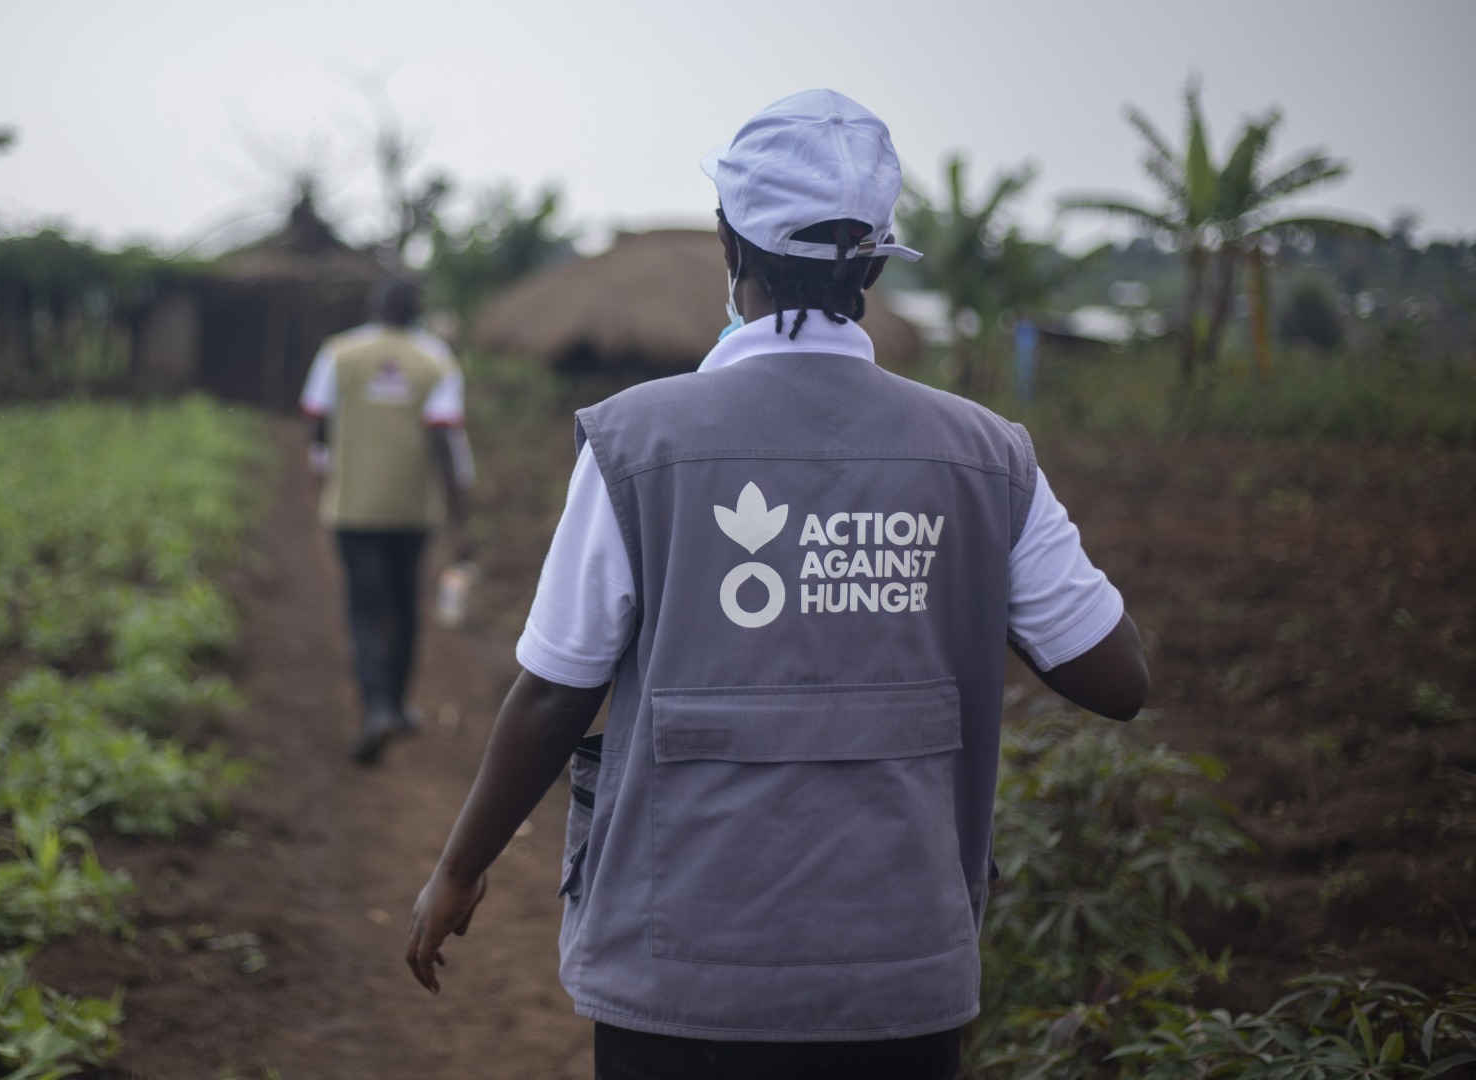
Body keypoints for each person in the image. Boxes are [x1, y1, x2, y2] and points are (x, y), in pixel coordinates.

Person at [404, 89, 1148, 1079]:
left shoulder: (639, 442)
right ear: (877, 262)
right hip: (901, 980)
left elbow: (554, 687)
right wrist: (928, 566)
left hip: (682, 977)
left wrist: (458, 872)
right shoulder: (983, 457)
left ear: (730, 246)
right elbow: (1116, 678)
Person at [301, 278, 474, 765]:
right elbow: (447, 443)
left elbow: (317, 421)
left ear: (374, 306)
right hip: (413, 508)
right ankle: (396, 703)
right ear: (416, 312)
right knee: (404, 603)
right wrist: (461, 519)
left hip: (353, 504)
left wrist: (322, 470)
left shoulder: (339, 353)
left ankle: (375, 705)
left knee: (362, 604)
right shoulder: (437, 359)